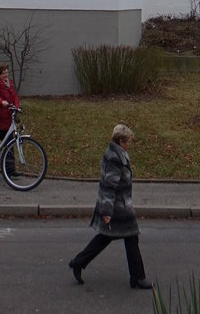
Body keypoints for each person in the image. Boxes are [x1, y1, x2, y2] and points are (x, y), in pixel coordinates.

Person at [68, 123, 152, 290]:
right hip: (118, 207)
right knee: (128, 237)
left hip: (119, 205)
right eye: (128, 141)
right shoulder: (115, 158)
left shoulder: (116, 153)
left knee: (108, 237)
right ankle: (137, 277)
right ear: (121, 141)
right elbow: (109, 186)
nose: (129, 145)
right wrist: (107, 211)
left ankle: (78, 262)